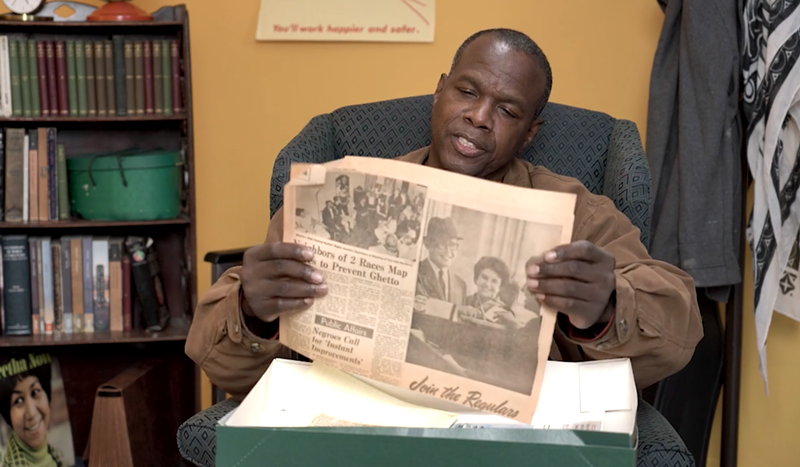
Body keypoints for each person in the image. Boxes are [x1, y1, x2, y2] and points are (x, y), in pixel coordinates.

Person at [186, 28, 703, 399]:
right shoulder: (343, 192)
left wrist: (608, 306)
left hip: (503, 436)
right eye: (467, 91)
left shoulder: (576, 212)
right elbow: (219, 362)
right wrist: (253, 310)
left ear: (530, 133)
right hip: (355, 419)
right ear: (439, 90)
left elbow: (679, 330)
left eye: (507, 110)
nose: (479, 117)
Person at [0, 363, 65, 467]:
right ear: (9, 416)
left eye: (35, 392)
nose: (31, 413)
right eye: (18, 400)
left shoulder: (59, 457)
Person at [415, 217, 468, 305]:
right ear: (428, 245)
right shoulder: (415, 271)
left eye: (452, 245)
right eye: (442, 244)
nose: (448, 252)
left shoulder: (461, 285)